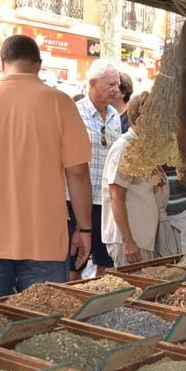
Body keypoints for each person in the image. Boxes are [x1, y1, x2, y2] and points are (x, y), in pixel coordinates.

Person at [0, 34, 93, 299]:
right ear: (38, 65)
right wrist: (84, 228)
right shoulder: (60, 103)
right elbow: (78, 173)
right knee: (42, 328)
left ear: (1, 62)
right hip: (45, 239)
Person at [67, 59, 122, 276]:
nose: (116, 90)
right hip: (76, 199)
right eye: (110, 85)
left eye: (117, 85)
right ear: (92, 83)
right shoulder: (74, 113)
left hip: (105, 202)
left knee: (105, 263)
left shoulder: (115, 117)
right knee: (75, 263)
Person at [102, 96, 169, 266]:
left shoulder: (143, 146)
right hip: (132, 241)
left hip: (143, 239)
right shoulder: (125, 147)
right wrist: (128, 241)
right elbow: (116, 196)